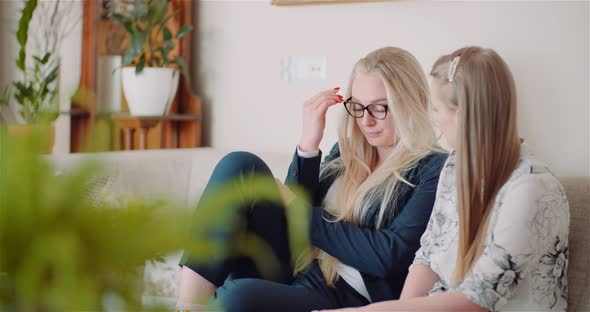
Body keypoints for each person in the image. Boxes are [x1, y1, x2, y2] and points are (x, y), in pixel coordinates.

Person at [176, 47, 447, 312]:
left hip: (343, 295)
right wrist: (308, 145)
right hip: (300, 268)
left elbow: (388, 254)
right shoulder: (346, 151)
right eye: (358, 106)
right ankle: (187, 306)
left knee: (237, 298)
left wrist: (299, 209)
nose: (366, 121)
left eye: (380, 108)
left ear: (417, 101)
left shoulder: (433, 169)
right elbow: (295, 218)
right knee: (240, 165)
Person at [318, 47, 570, 312]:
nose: (434, 120)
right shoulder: (454, 165)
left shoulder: (531, 187)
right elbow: (428, 255)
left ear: (463, 113)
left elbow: (478, 299)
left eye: (436, 109)